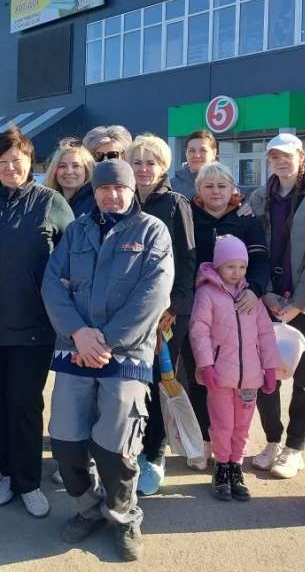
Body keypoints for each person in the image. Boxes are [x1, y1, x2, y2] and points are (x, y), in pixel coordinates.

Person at [42, 159, 174, 561]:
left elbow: (154, 294)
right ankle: (87, 507)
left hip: (125, 356)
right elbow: (52, 285)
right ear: (95, 192)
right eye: (104, 189)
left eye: (120, 188)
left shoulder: (152, 231)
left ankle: (123, 515)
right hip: (75, 351)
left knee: (116, 448)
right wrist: (79, 334)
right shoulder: (77, 230)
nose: (112, 196)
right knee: (65, 441)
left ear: (132, 191)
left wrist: (105, 343)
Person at [0, 126, 73, 518]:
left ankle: (29, 482)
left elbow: (74, 254)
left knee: (25, 404)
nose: (9, 168)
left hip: (33, 327)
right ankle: (7, 475)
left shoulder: (51, 203)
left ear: (30, 161)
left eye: (16, 161)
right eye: (2, 161)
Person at [247, 134, 305, 479]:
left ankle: (295, 448)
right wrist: (265, 293)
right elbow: (252, 249)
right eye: (274, 157)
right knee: (266, 374)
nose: (281, 162)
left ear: (301, 156)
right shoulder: (258, 197)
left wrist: (299, 303)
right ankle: (272, 441)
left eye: (287, 155)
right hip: (267, 299)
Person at [184, 162, 271, 469]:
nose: (216, 192)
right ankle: (205, 440)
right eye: (208, 186)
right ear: (199, 190)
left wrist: (255, 290)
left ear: (232, 189)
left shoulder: (245, 219)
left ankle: (233, 448)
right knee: (199, 373)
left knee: (236, 378)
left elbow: (261, 260)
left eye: (222, 186)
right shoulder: (188, 216)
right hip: (199, 306)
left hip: (237, 308)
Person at [127, 134, 196, 494]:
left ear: (163, 166)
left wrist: (174, 308)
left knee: (158, 383)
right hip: (128, 313)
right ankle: (130, 447)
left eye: (150, 163)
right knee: (130, 383)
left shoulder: (174, 203)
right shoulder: (123, 200)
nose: (143, 169)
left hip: (165, 316)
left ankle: (154, 452)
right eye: (137, 162)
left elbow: (188, 259)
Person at [190, 235, 279, 502]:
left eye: (242, 266)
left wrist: (270, 368)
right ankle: (221, 466)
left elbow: (266, 334)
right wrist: (206, 364)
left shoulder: (252, 298)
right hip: (220, 376)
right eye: (230, 266)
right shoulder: (207, 294)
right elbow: (199, 330)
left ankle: (236, 466)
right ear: (218, 266)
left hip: (250, 378)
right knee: (223, 425)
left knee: (242, 427)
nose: (236, 272)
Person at [43, 142, 96, 217]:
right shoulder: (46, 202)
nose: (69, 171)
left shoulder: (96, 204)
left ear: (87, 170)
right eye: (62, 166)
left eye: (76, 166)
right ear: (54, 171)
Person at [170, 129, 217, 199]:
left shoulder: (225, 184)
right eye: (192, 150)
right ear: (186, 153)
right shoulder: (172, 187)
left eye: (203, 150)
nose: (197, 155)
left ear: (214, 153)